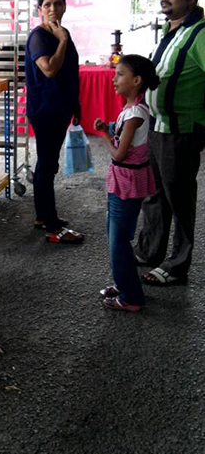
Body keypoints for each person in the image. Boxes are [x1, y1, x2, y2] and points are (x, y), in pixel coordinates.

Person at [135, 0, 205, 285]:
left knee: (179, 199)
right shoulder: (170, 29)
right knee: (153, 194)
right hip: (156, 127)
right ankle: (149, 251)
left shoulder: (200, 34)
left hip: (181, 131)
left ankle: (177, 267)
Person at [94, 55, 159, 311]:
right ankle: (124, 283)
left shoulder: (135, 114)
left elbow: (119, 154)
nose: (114, 79)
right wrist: (109, 128)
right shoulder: (131, 109)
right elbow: (122, 135)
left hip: (127, 182)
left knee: (118, 240)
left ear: (136, 80)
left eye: (120, 74)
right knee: (116, 235)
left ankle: (131, 297)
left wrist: (104, 136)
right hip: (124, 181)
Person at [25, 0, 84, 244]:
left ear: (64, 7)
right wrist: (61, 41)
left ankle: (43, 216)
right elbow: (49, 69)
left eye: (57, 4)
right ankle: (52, 227)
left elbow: (70, 72)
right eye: (47, 4)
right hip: (46, 110)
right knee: (47, 165)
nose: (53, 9)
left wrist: (76, 105)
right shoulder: (39, 37)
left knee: (48, 164)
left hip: (61, 107)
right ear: (40, 9)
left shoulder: (62, 33)